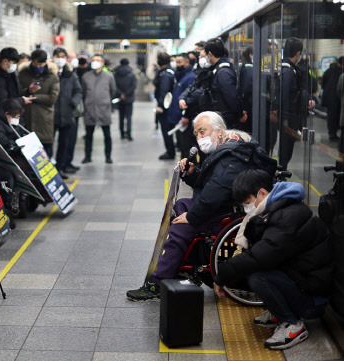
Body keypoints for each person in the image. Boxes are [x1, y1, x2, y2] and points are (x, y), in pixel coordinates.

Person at [126, 111, 276, 301]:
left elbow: (215, 193)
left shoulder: (232, 158)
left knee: (182, 224)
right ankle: (178, 264)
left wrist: (191, 217)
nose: (199, 138)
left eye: (202, 131)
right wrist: (192, 173)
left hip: (228, 212)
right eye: (196, 133)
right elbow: (212, 186)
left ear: (219, 131)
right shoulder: (231, 149)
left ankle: (159, 281)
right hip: (225, 205)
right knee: (181, 207)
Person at [214, 170, 332, 350]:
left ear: (262, 193)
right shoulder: (279, 208)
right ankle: (279, 311)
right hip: (303, 280)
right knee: (253, 270)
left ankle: (292, 324)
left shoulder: (287, 217)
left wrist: (221, 276)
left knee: (257, 275)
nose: (247, 208)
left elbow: (259, 256)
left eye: (247, 203)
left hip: (313, 299)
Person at [180, 39, 243, 129]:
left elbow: (231, 96)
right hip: (219, 118)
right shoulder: (215, 69)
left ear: (210, 54)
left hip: (225, 120)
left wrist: (239, 114)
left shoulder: (223, 72)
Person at [279, 37, 315, 170]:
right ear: (298, 54)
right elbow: (287, 96)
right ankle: (281, 178)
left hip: (288, 118)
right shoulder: (288, 71)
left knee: (286, 152)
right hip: (288, 118)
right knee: (285, 153)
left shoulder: (287, 69)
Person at [18, 49, 60, 157]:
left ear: (46, 62)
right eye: (36, 64)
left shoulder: (52, 76)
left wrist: (33, 96)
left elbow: (52, 98)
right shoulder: (23, 74)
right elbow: (16, 93)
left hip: (44, 119)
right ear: (32, 61)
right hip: (26, 117)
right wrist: (28, 91)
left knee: (45, 152)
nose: (38, 66)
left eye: (41, 64)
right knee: (28, 153)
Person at [81, 54, 117, 164]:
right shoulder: (85, 76)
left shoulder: (109, 76)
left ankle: (108, 156)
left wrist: (105, 101)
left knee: (107, 135)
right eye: (94, 60)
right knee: (88, 135)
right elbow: (83, 92)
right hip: (90, 109)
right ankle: (87, 156)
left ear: (102, 63)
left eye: (98, 60)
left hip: (103, 109)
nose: (95, 62)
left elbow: (113, 91)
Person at [53, 48, 83, 176]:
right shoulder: (49, 73)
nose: (60, 59)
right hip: (51, 115)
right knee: (48, 144)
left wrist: (72, 103)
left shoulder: (70, 75)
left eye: (62, 57)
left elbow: (78, 91)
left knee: (64, 143)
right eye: (57, 56)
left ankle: (61, 167)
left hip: (67, 113)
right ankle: (48, 170)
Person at [168, 53, 197, 160]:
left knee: (186, 147)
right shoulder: (181, 76)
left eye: (179, 62)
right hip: (178, 118)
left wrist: (186, 116)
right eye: (176, 62)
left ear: (187, 62)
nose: (177, 65)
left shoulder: (190, 77)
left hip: (184, 119)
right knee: (182, 146)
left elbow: (189, 98)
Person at [153, 53, 176, 160]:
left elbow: (164, 91)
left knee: (166, 129)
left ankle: (170, 152)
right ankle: (170, 150)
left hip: (166, 107)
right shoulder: (167, 71)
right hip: (168, 105)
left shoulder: (165, 74)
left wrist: (160, 105)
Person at [114, 58, 138, 141]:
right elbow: (133, 86)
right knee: (128, 117)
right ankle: (129, 133)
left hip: (120, 99)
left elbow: (114, 86)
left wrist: (121, 94)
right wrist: (126, 94)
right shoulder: (131, 73)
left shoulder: (116, 73)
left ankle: (121, 133)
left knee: (121, 117)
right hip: (129, 98)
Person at [322, 57, 343, 142]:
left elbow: (323, 83)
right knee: (335, 116)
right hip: (336, 98)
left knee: (331, 116)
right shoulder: (340, 72)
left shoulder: (328, 71)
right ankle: (333, 134)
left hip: (328, 97)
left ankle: (332, 133)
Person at [238, 46, 254, 133]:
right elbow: (247, 89)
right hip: (249, 105)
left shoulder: (247, 68)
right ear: (250, 55)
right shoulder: (248, 69)